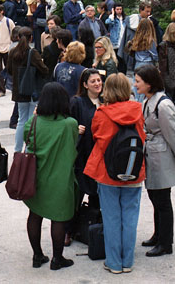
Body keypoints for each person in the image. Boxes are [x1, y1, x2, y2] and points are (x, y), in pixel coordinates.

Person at [85, 73, 145, 274]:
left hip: (107, 173)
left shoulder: (102, 113)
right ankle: (128, 261)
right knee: (130, 217)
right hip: (133, 170)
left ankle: (114, 262)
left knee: (111, 218)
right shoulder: (138, 110)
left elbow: (97, 137)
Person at [22, 82, 78, 271]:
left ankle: (37, 255)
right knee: (58, 218)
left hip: (35, 178)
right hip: (60, 179)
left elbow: (26, 138)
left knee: (34, 215)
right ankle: (57, 258)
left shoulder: (33, 122)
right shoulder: (70, 124)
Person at [134, 65, 175, 258]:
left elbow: (172, 134)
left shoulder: (163, 105)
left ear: (149, 83)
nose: (135, 85)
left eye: (138, 81)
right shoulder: (148, 101)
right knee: (155, 197)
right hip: (152, 153)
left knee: (162, 199)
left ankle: (166, 242)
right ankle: (158, 235)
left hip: (161, 155)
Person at [67, 69, 102, 245]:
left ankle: (95, 229)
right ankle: (68, 230)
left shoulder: (104, 102)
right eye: (93, 81)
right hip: (82, 156)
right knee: (77, 195)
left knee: (97, 195)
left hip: (100, 156)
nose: (97, 84)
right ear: (85, 84)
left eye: (99, 80)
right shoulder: (77, 102)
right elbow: (66, 123)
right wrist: (75, 129)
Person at [7, 27, 49, 152]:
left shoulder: (13, 52)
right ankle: (28, 149)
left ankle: (17, 150)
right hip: (31, 90)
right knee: (31, 120)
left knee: (21, 120)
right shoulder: (32, 53)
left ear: (18, 37)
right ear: (31, 38)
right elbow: (44, 70)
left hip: (19, 90)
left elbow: (9, 70)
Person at [129, 18, 158, 102]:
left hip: (138, 64)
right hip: (147, 64)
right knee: (145, 86)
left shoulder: (136, 39)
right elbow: (155, 56)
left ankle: (137, 101)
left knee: (137, 84)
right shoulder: (150, 41)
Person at [105, 4, 126, 73]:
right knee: (116, 60)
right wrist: (112, 14)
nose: (119, 11)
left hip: (123, 42)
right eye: (117, 9)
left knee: (123, 62)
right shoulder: (113, 18)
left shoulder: (124, 19)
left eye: (120, 9)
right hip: (115, 43)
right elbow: (107, 22)